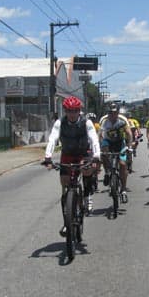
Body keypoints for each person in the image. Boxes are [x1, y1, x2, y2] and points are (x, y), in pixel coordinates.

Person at [42, 96, 100, 236]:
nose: (72, 114)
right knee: (65, 186)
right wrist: (48, 157)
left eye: (75, 111)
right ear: (65, 111)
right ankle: (66, 223)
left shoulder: (86, 122)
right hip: (67, 154)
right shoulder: (60, 122)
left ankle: (87, 197)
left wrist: (97, 155)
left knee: (87, 170)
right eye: (69, 111)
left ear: (79, 111)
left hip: (83, 153)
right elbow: (52, 139)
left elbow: (94, 139)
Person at [98, 102, 132, 204]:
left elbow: (129, 133)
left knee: (122, 165)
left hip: (120, 143)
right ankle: (107, 172)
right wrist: (98, 146)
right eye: (110, 113)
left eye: (115, 113)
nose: (112, 115)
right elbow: (100, 134)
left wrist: (129, 146)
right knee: (103, 152)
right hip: (108, 141)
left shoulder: (122, 120)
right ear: (108, 113)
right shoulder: (104, 121)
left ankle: (123, 190)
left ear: (118, 113)